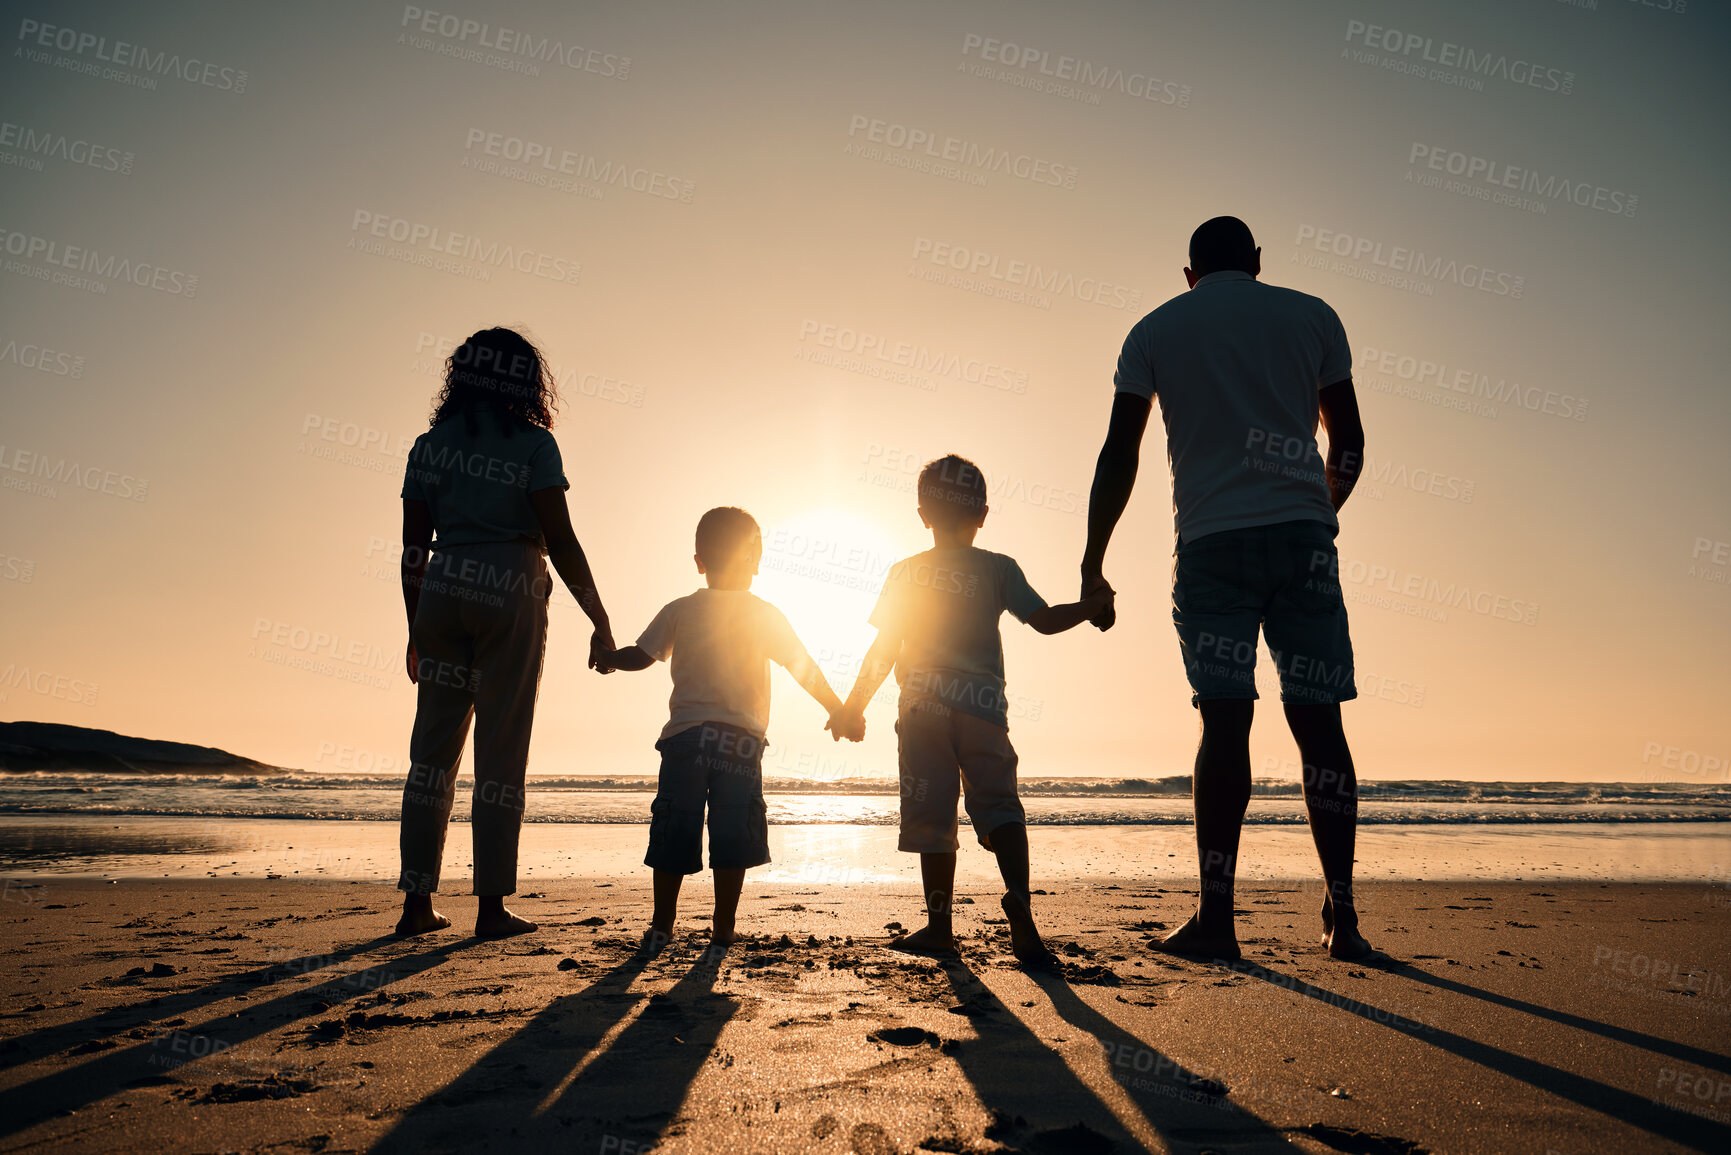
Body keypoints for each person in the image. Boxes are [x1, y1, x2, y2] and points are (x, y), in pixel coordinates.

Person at [1080, 215, 1387, 963]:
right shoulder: (1312, 315)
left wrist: (1092, 561)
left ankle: (1216, 917)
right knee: (1319, 725)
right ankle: (1340, 917)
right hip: (1301, 544)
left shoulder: (1154, 329)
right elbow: (1346, 441)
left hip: (1212, 546)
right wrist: (1319, 510)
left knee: (1224, 724)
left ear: (1188, 274)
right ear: (1256, 261)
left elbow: (1119, 450)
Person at [836, 455, 1113, 967]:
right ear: (983, 513)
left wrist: (853, 707)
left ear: (923, 515)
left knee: (932, 815)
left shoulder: (904, 572)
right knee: (1000, 805)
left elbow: (883, 651)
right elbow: (1046, 621)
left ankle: (940, 925)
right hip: (982, 706)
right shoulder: (998, 568)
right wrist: (1093, 607)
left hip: (920, 705)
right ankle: (1022, 910)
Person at [395, 327, 615, 939]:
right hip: (511, 577)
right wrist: (598, 617)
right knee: (501, 749)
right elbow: (562, 538)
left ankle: (417, 905)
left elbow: (413, 549)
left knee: (430, 756)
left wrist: (415, 627)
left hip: (443, 581)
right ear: (524, 380)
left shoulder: (428, 446)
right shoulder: (534, 443)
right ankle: (490, 908)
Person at [594, 507, 855, 953]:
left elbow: (643, 654)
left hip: (685, 738)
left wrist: (610, 659)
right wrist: (838, 708)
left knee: (675, 826)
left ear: (700, 561)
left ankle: (662, 924)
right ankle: (723, 926)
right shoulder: (765, 614)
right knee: (734, 832)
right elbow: (803, 668)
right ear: (756, 561)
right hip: (739, 740)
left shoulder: (681, 608)